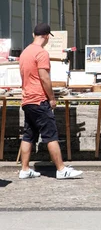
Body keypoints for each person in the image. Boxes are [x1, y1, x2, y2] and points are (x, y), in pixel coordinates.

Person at [18, 23, 83, 179]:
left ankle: (25, 169)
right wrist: (52, 98)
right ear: (46, 36)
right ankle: (61, 170)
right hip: (40, 100)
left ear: (34, 35)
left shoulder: (25, 52)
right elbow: (44, 77)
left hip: (28, 100)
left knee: (29, 135)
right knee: (50, 135)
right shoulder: (41, 53)